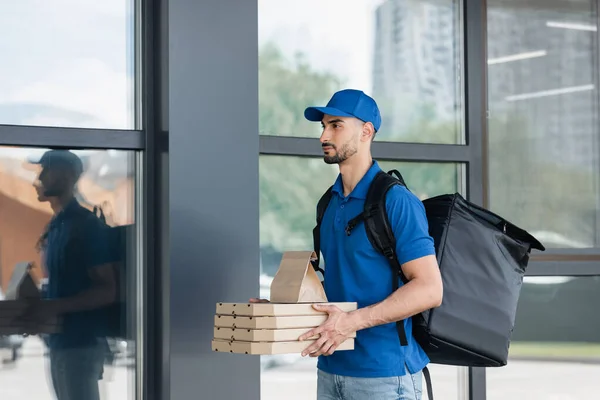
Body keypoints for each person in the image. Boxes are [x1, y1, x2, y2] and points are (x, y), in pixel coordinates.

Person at [252, 89, 443, 400]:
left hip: (385, 376)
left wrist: (350, 323)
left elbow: (430, 289)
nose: (324, 135)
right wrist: (280, 314)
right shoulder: (328, 204)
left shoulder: (396, 202)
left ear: (366, 131)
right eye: (323, 126)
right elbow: (340, 287)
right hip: (331, 371)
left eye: (336, 125)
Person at [29, 149, 117, 400]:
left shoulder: (86, 226)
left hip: (81, 345)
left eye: (46, 171)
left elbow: (108, 289)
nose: (39, 179)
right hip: (58, 344)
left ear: (67, 176)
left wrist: (54, 307)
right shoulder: (56, 227)